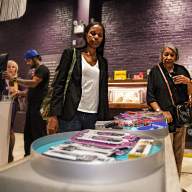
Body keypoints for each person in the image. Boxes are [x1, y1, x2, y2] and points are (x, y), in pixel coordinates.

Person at [47, 22, 109, 134]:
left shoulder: (103, 62)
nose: (96, 37)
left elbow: (103, 91)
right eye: (93, 33)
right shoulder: (71, 54)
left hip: (94, 116)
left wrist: (105, 118)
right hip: (72, 114)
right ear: (86, 34)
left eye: (100, 35)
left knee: (90, 149)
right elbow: (58, 85)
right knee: (68, 148)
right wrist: (53, 115)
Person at [146, 43, 192, 176]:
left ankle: (176, 185)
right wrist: (160, 112)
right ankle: (165, 185)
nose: (168, 57)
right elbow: (150, 97)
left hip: (181, 118)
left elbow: (190, 96)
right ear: (161, 56)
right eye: (166, 54)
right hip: (164, 120)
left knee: (179, 153)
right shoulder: (155, 72)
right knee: (165, 154)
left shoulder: (182, 70)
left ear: (176, 57)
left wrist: (189, 82)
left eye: (172, 55)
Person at [4, 49, 50, 156]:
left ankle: (38, 157)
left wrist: (14, 79)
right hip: (32, 108)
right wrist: (20, 93)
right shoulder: (36, 71)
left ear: (34, 58)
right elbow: (30, 90)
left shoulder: (43, 69)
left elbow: (33, 84)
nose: (27, 63)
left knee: (37, 134)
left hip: (38, 109)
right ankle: (28, 157)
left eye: (28, 61)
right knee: (28, 134)